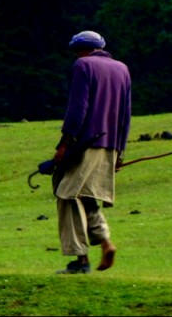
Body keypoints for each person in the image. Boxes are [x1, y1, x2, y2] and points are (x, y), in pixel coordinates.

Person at [50, 30, 131, 274]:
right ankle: (105, 242)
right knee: (84, 194)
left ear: (81, 49)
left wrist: (65, 143)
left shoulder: (83, 65)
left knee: (66, 194)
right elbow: (125, 115)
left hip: (86, 143)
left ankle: (81, 259)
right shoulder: (122, 69)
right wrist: (120, 153)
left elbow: (78, 108)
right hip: (111, 144)